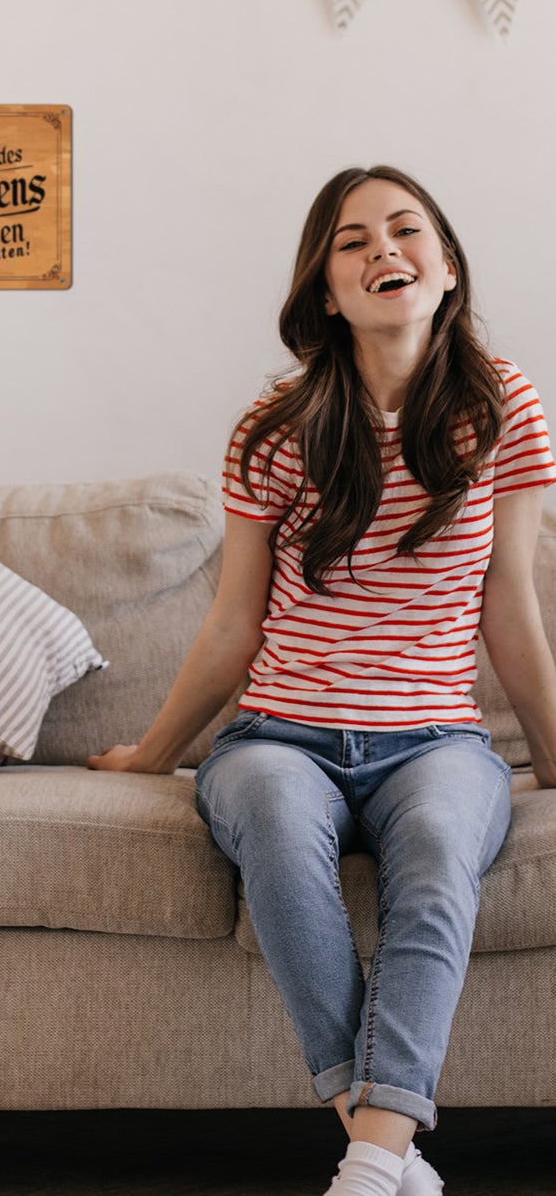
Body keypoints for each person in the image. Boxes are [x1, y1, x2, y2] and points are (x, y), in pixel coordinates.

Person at [87, 165, 556, 1196]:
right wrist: (154, 754)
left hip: (434, 741)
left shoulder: (502, 405)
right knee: (268, 820)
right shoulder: (275, 422)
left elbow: (507, 603)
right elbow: (233, 621)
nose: (381, 248)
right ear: (324, 289)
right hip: (276, 735)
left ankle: (368, 1159)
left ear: (443, 270)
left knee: (437, 847)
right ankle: (384, 1148)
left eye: (404, 229)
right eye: (351, 240)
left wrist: (555, 759)